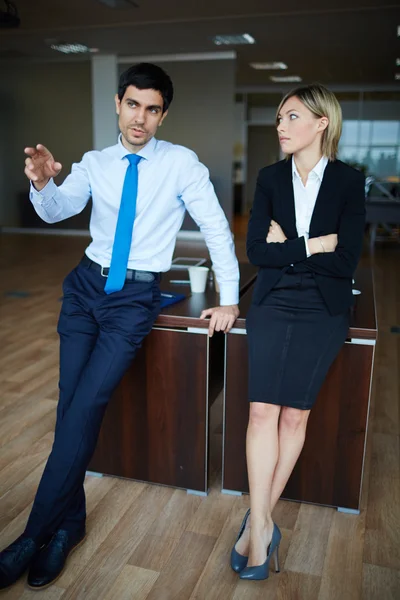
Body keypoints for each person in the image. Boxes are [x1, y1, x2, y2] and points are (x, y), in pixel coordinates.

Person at [0, 62, 239, 590]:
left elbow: (218, 230)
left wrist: (229, 299)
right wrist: (43, 182)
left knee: (86, 407)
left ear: (162, 115)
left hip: (133, 298)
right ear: (118, 103)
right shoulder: (96, 162)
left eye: (152, 110)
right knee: (70, 407)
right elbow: (58, 209)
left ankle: (30, 536)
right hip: (85, 289)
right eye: (133, 104)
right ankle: (69, 527)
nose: (141, 118)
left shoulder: (182, 165)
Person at [230, 84, 365, 581]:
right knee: (262, 410)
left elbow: (346, 259)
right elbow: (257, 253)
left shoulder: (350, 181)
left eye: (291, 116)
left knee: (293, 418)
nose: (281, 126)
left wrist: (291, 245)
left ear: (321, 122)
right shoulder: (269, 178)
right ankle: (262, 527)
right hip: (273, 301)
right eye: (280, 117)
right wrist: (315, 244)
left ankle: (256, 523)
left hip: (323, 308)